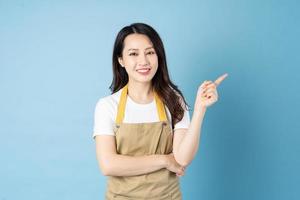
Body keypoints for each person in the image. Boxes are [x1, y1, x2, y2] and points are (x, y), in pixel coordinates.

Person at [92, 22, 228, 200]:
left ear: (159, 56)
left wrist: (200, 109)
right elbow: (108, 164)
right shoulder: (107, 106)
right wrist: (164, 160)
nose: (144, 61)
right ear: (121, 60)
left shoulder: (173, 100)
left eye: (150, 52)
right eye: (133, 54)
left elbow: (182, 158)